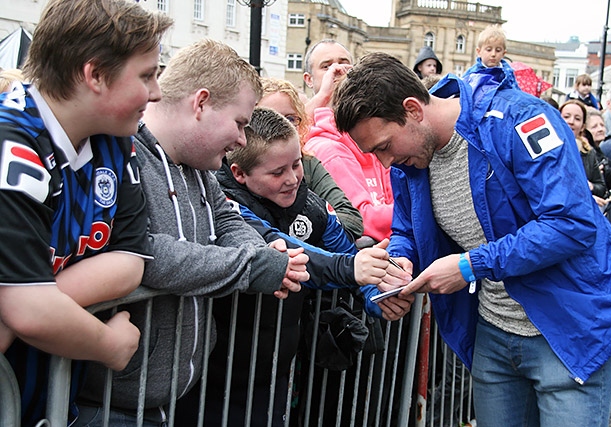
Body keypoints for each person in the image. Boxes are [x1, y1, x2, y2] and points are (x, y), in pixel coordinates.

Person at [330, 51, 611, 426]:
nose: (384, 162)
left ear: (413, 109)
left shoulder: (520, 119)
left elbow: (569, 223)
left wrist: (470, 265)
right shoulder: (409, 158)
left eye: (383, 146)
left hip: (570, 329)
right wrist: (399, 266)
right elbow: (406, 231)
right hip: (495, 335)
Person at [76, 39, 309, 425]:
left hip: (175, 398)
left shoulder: (199, 167)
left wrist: (269, 256)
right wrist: (253, 265)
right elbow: (146, 252)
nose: (241, 140)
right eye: (239, 123)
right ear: (200, 103)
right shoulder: (121, 155)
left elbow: (228, 219)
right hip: (109, 405)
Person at [176, 107, 413, 426]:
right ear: (239, 174)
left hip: (276, 370)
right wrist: (353, 268)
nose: (292, 179)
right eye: (277, 173)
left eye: (297, 165)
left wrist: (379, 296)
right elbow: (293, 252)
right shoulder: (227, 204)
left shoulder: (311, 205)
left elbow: (346, 255)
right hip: (216, 372)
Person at [0, 0, 172, 425]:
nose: (157, 92)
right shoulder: (12, 143)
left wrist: (41, 301)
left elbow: (130, 261)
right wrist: (109, 346)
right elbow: (28, 311)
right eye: (147, 74)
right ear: (94, 74)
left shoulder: (114, 139)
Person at [304, 40, 394, 244]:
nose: (338, 71)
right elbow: (363, 219)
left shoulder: (371, 133)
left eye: (345, 63)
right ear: (309, 79)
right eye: (326, 66)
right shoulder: (327, 145)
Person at [259, 77, 364, 242]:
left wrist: (306, 233)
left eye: (290, 119)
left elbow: (351, 219)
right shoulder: (237, 169)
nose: (283, 125)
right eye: (271, 117)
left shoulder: (307, 163)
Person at [558, 100, 608, 202]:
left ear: (582, 127)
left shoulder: (588, 152)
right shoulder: (547, 149)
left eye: (577, 119)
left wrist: (591, 186)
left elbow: (602, 187)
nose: (571, 121)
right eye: (566, 117)